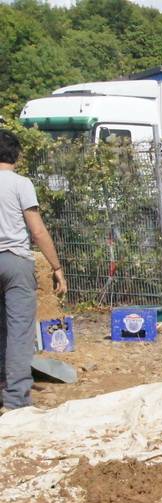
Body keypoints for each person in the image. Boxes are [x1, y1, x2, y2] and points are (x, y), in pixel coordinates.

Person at [0, 129, 67, 412]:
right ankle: (15, 401)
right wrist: (56, 267)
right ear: (16, 155)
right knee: (18, 332)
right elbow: (37, 231)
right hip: (15, 261)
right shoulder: (20, 183)